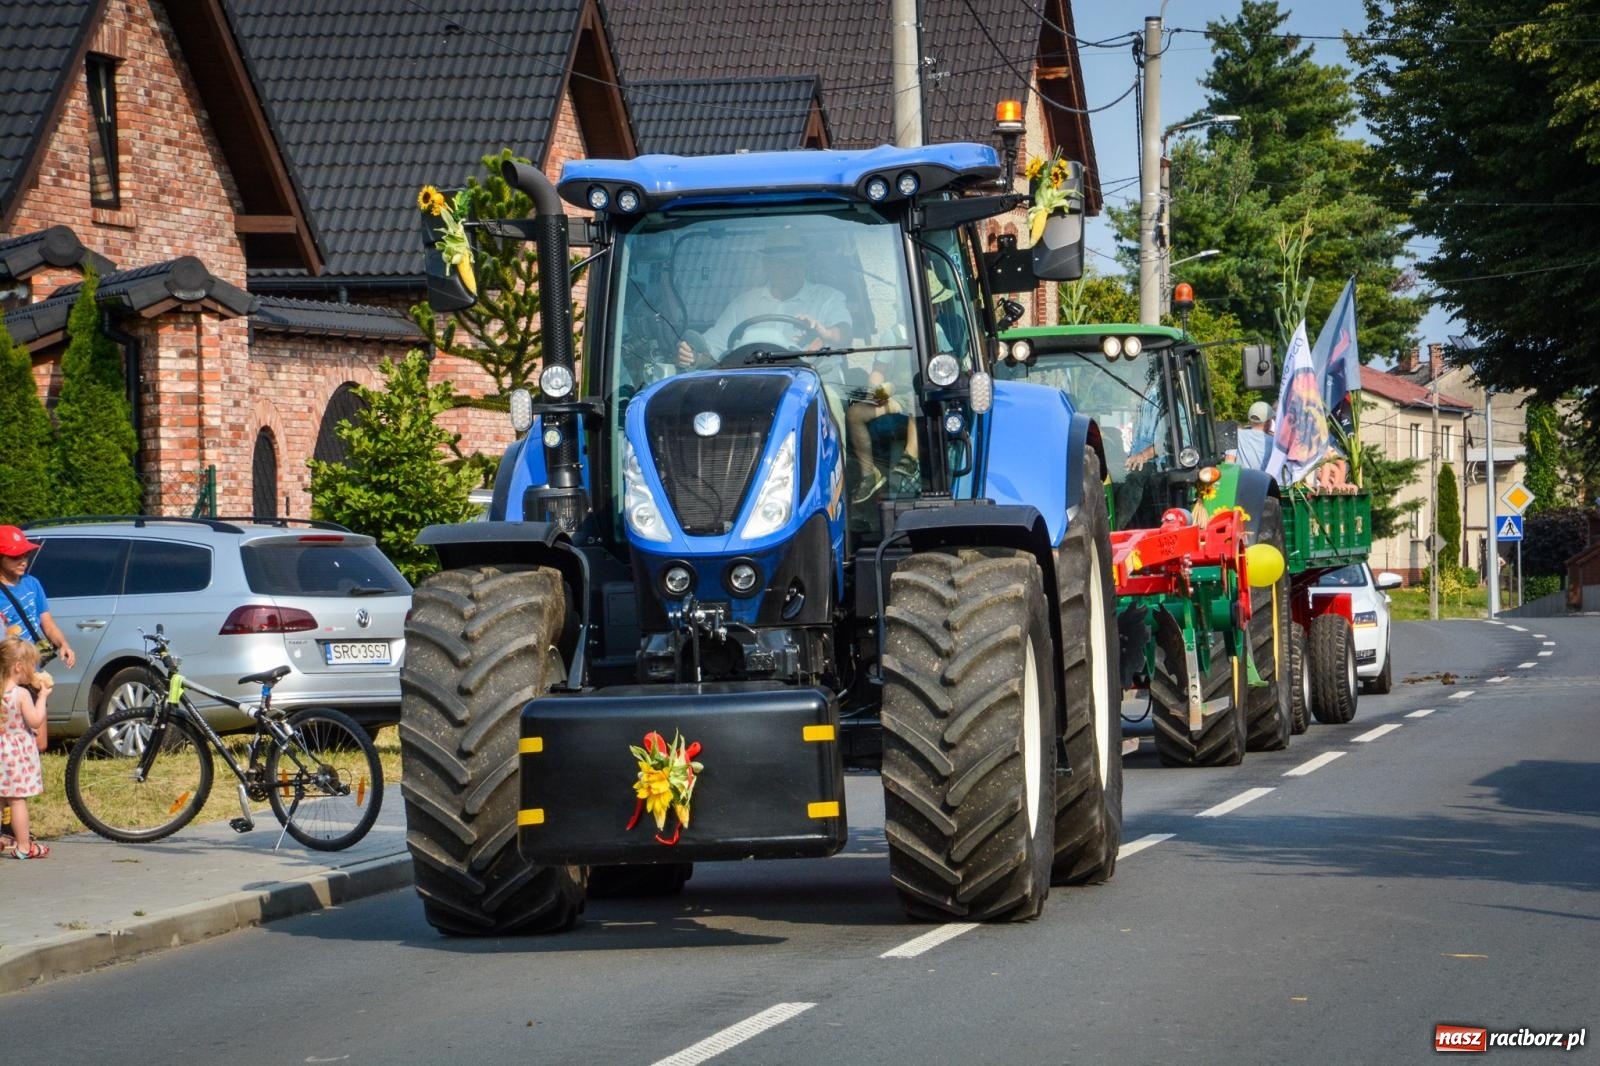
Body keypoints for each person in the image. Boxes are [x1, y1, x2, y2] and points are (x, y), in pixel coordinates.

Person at [676, 229, 852, 366]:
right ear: (766, 265)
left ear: (805, 263)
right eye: (780, 262)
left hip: (818, 386)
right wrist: (694, 356)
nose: (788, 268)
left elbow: (845, 336)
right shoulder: (743, 304)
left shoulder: (828, 298)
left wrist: (825, 333)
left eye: (795, 261)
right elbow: (713, 348)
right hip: (755, 389)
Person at [0, 525, 75, 673]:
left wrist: (63, 644)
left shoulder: (32, 583)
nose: (23, 561)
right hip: (6, 671)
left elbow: (48, 624)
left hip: (32, 667)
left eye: (26, 555)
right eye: (15, 556)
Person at [0, 636, 50, 859]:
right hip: (16, 757)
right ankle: (23, 846)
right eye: (31, 665)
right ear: (18, 666)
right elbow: (35, 720)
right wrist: (42, 697)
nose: (34, 670)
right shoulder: (21, 694)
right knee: (17, 800)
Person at [1234, 400, 1275, 469]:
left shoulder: (1236, 435)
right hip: (1263, 479)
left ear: (1249, 419)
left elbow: (1229, 461)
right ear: (1269, 422)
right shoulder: (1273, 443)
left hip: (1239, 479)